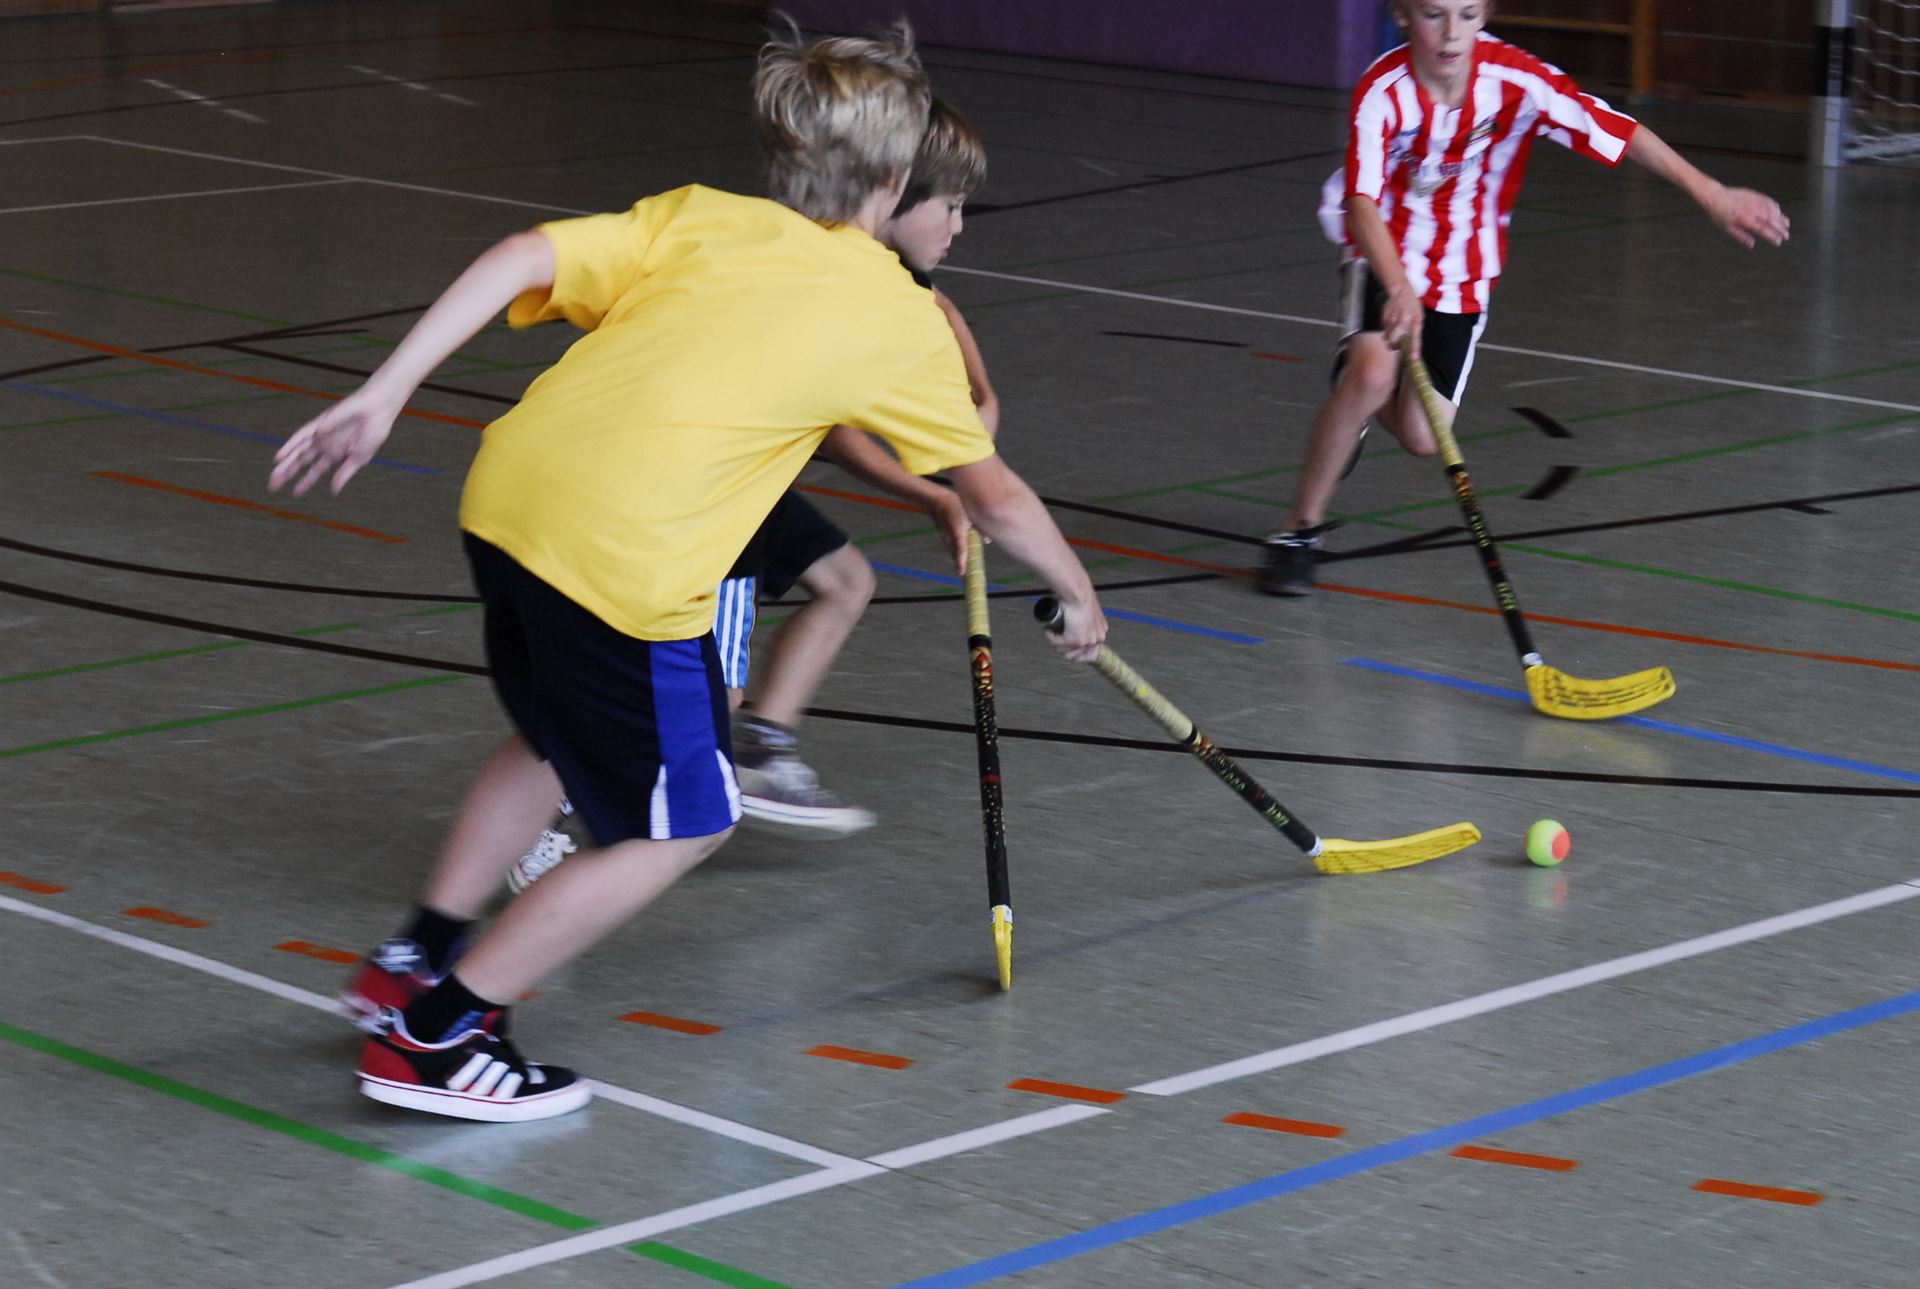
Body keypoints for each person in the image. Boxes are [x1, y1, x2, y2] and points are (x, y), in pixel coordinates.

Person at [271, 25, 1105, 1122]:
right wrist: (1078, 590)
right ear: (893, 182)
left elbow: (522, 254)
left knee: (552, 740)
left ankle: (411, 964)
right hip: (624, 557)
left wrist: (386, 391)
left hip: (510, 502)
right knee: (682, 823)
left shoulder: (704, 216)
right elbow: (991, 495)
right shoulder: (895, 315)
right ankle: (442, 1032)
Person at [507, 97, 995, 880]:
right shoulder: (827, 279)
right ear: (893, 193)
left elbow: (979, 398)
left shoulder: (918, 297)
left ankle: (764, 747)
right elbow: (833, 433)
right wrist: (935, 492)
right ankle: (545, 815)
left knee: (846, 580)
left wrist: (970, 463)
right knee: (710, 694)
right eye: (951, 205)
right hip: (710, 491)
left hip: (746, 484)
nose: (960, 225)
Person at [1258, 0, 1789, 596]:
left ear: (1486, 14)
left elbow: (1616, 131)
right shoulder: (1383, 89)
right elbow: (1361, 201)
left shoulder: (1516, 81)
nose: (1451, 33)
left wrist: (1711, 193)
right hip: (1384, 246)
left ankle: (1354, 402)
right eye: (1434, 15)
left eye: (1467, 14)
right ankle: (1299, 531)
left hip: (1463, 271)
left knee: (1422, 436)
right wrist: (1398, 285)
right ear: (1403, 14)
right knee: (1373, 373)